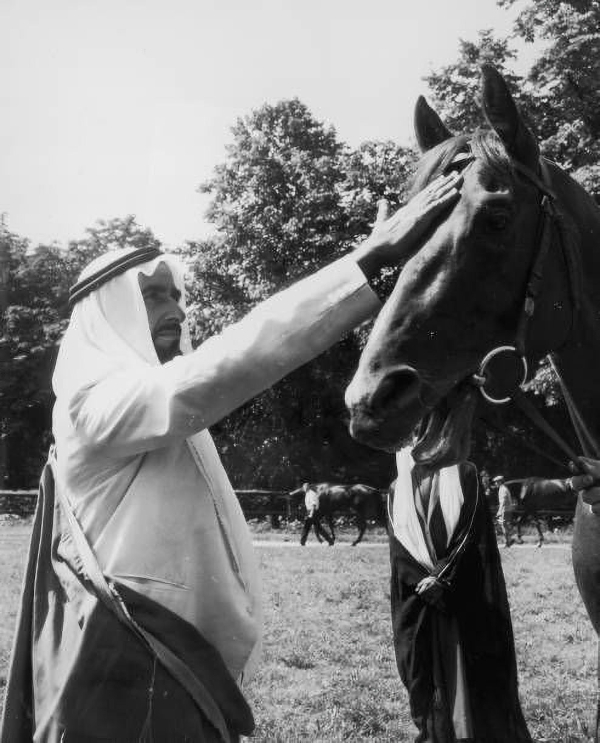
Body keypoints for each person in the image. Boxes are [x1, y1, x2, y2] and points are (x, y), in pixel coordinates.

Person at [0, 172, 463, 743]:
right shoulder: (92, 404)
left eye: (175, 292)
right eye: (153, 294)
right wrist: (366, 260)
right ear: (108, 313)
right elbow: (238, 357)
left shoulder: (157, 393)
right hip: (121, 655)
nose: (176, 307)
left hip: (176, 660)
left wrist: (384, 270)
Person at [387, 447, 532, 742]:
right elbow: (398, 550)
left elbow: (471, 531)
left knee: (474, 673)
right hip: (420, 598)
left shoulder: (465, 474)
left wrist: (442, 577)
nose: (419, 440)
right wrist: (424, 584)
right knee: (426, 676)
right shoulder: (395, 489)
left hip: (462, 591)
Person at [494, 474, 514, 548]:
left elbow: (503, 502)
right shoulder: (504, 488)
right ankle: (510, 539)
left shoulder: (502, 489)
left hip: (505, 510)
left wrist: (499, 511)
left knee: (503, 526)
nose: (495, 483)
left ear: (500, 482)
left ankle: (507, 542)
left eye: (496, 482)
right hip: (507, 509)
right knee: (505, 525)